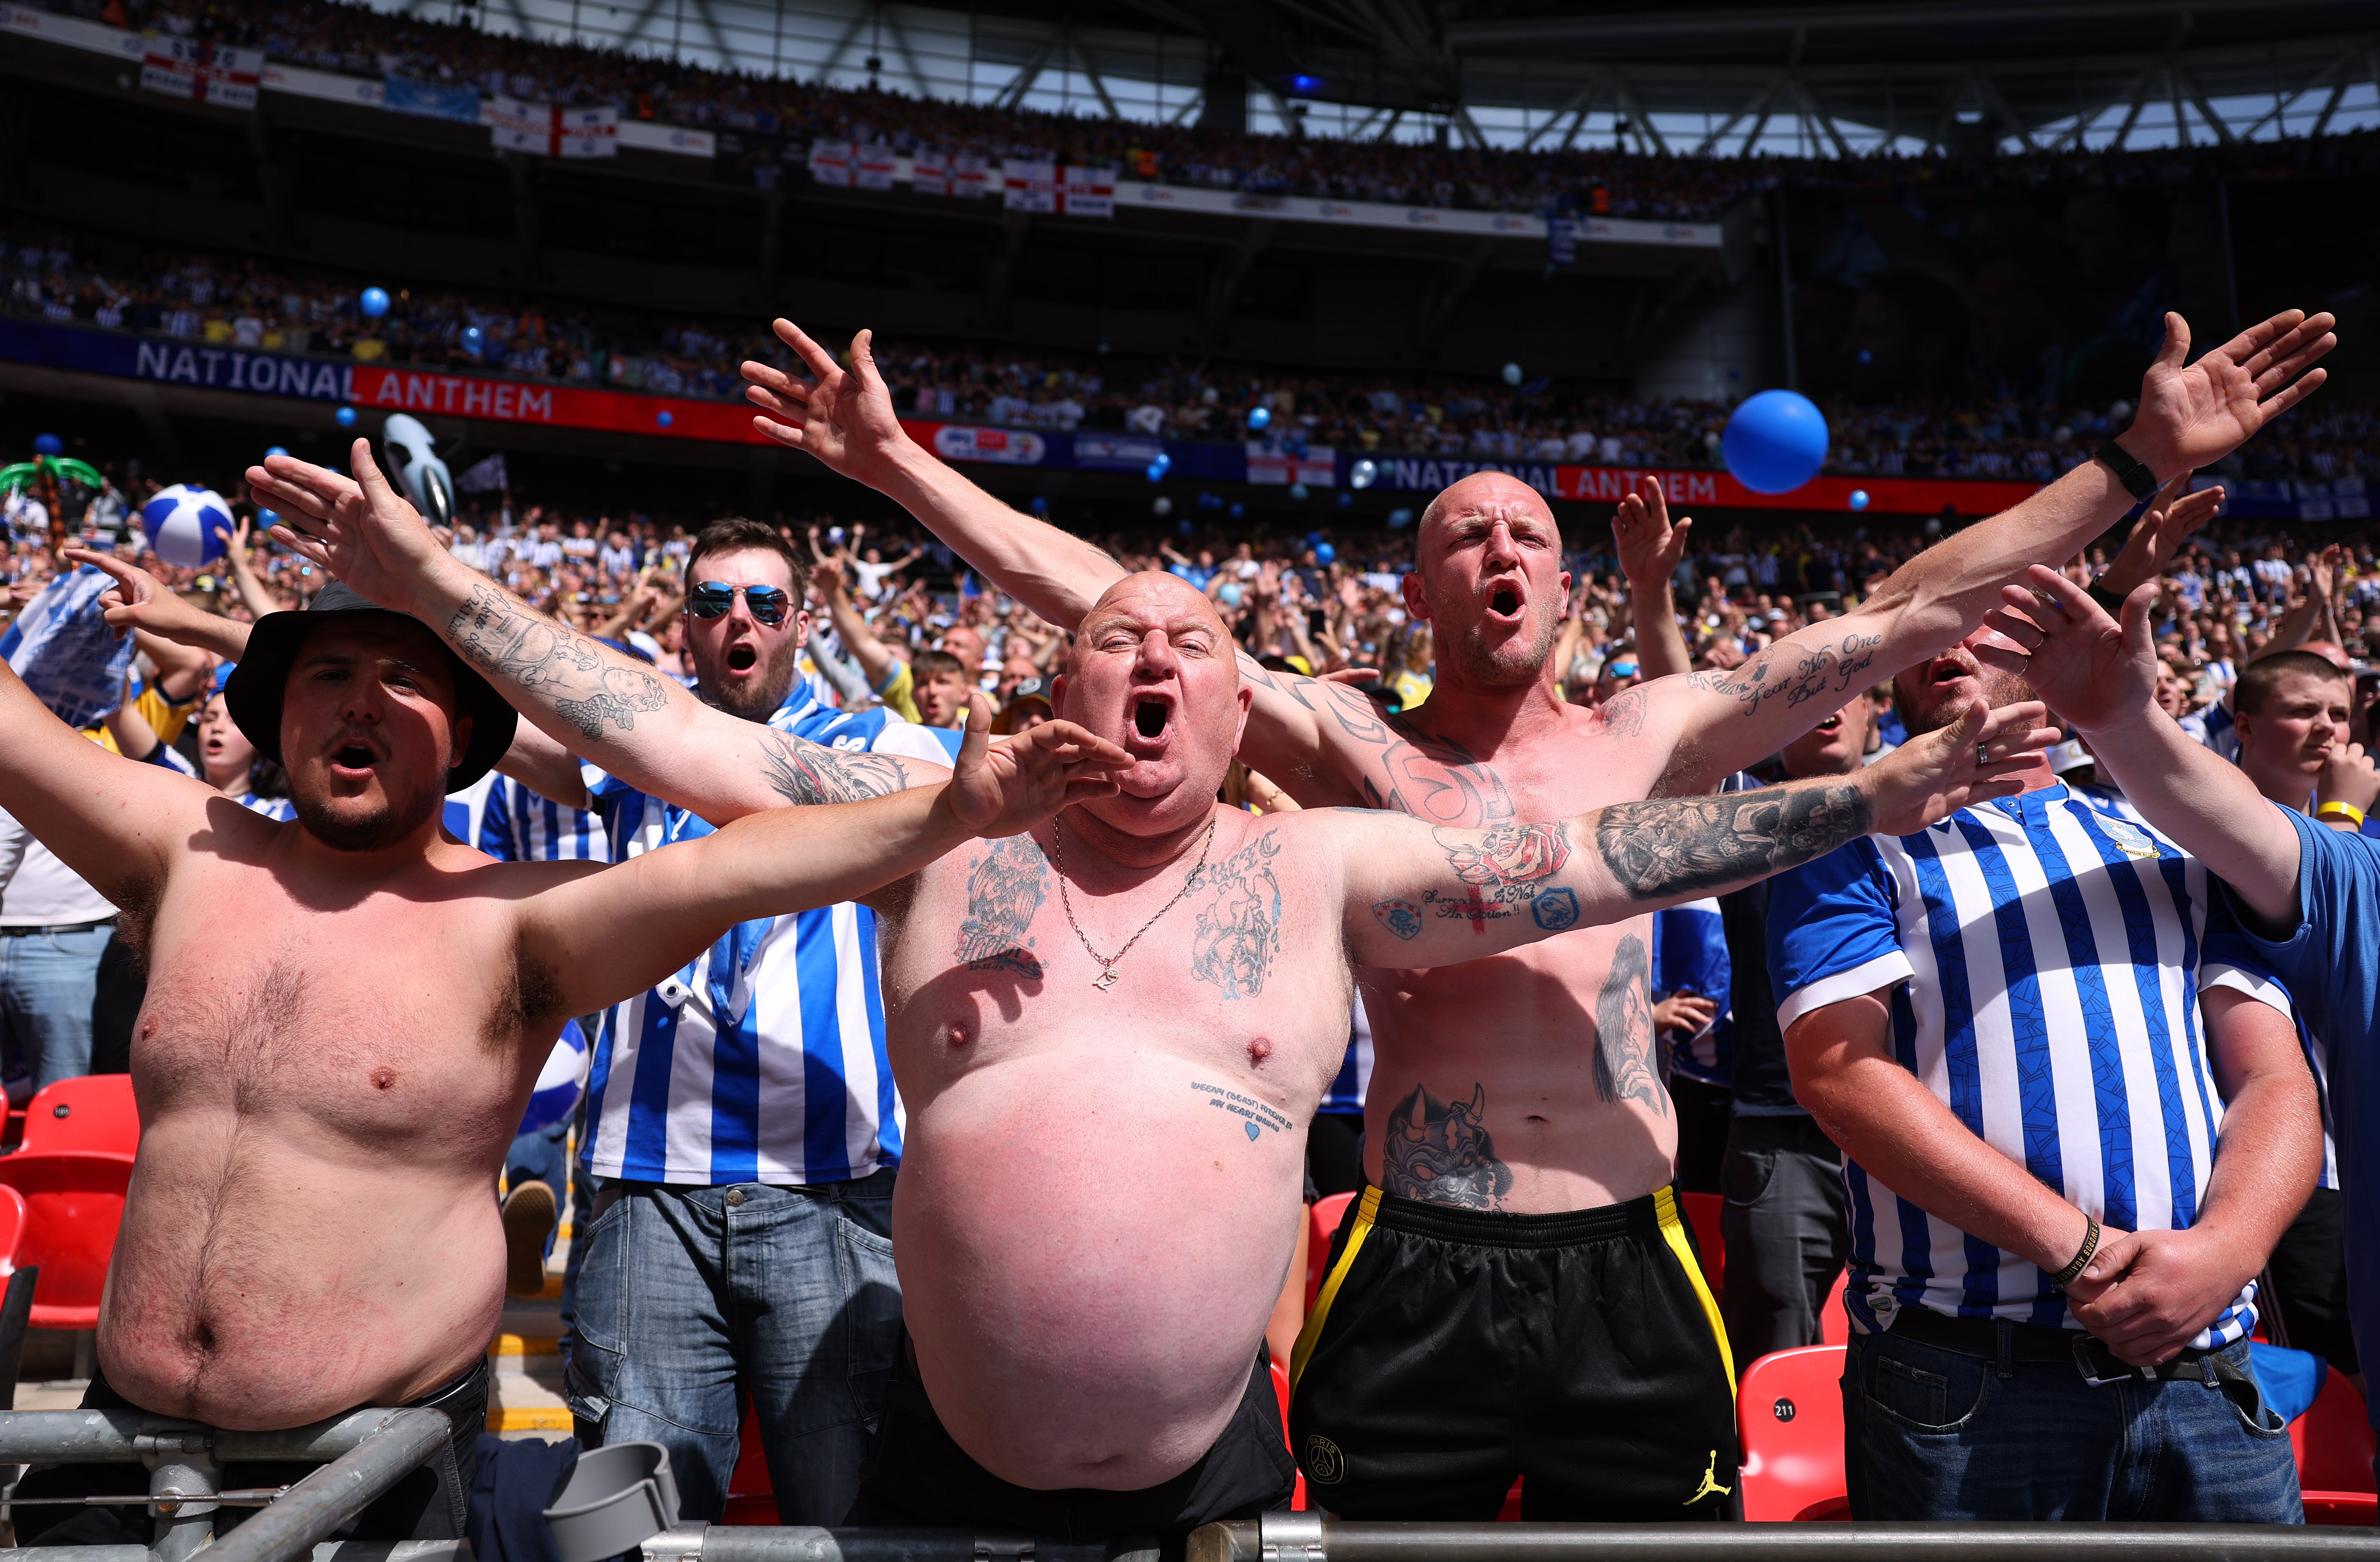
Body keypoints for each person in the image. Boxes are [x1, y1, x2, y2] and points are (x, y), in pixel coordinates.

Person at [250, 442, 2048, 1546]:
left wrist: (1869, 794)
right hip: (939, 1445)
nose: (1160, 661)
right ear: (1070, 674)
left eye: (1196, 639)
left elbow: (1593, 861)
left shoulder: (1317, 864)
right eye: (1122, 634)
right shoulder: (938, 834)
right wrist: (422, 577)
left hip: (1223, 1463)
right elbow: (663, 728)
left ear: (1234, 700)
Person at [735, 303, 2332, 1518]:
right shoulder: (1347, 737)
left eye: (1529, 534)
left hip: (1628, 1258)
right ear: (1416, 592)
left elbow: (1903, 607)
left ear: (1566, 588)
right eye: (1462, 535)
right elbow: (1104, 599)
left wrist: (2133, 463)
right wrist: (893, 463)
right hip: (1413, 1255)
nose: (1500, 547)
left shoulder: (1652, 734)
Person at [0, 556, 1127, 1545]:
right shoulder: (189, 853)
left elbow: (724, 871)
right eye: (328, 674)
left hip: (371, 1467)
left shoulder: (518, 923)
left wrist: (948, 817)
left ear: (462, 741)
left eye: (404, 680)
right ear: (281, 715)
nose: (361, 702)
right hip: (115, 1450)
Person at [439, 516, 959, 1522]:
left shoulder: (880, 747)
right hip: (647, 1197)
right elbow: (473, 704)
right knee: (638, 1522)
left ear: (803, 622)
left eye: (766, 603)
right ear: (683, 627)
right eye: (714, 601)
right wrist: (230, 634)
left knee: (845, 1517)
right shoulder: (636, 752)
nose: (741, 621)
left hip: (835, 1192)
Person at [1766, 623, 2322, 1522]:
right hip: (1965, 1377)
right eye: (1920, 627)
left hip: (2205, 1368)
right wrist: (2079, 1247)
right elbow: (1839, 1072)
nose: (1941, 639)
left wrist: (2229, 1248)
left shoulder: (2174, 833)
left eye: (1978, 617)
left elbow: (2276, 1075)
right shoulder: (1851, 838)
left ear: (2056, 650)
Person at [1979, 563, 2380, 1482]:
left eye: (2341, 714)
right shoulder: (2351, 877)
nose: (2327, 731)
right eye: (2303, 712)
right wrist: (2119, 715)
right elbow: (2201, 798)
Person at [1714, 693, 1869, 1364]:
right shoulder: (1746, 813)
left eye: (1850, 688)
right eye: (1813, 691)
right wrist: (1651, 591)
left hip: (1911, 1129)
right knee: (1772, 1347)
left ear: (1876, 716)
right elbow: (1689, 748)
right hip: (1781, 1135)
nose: (1830, 704)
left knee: (1917, 1342)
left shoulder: (1924, 813)